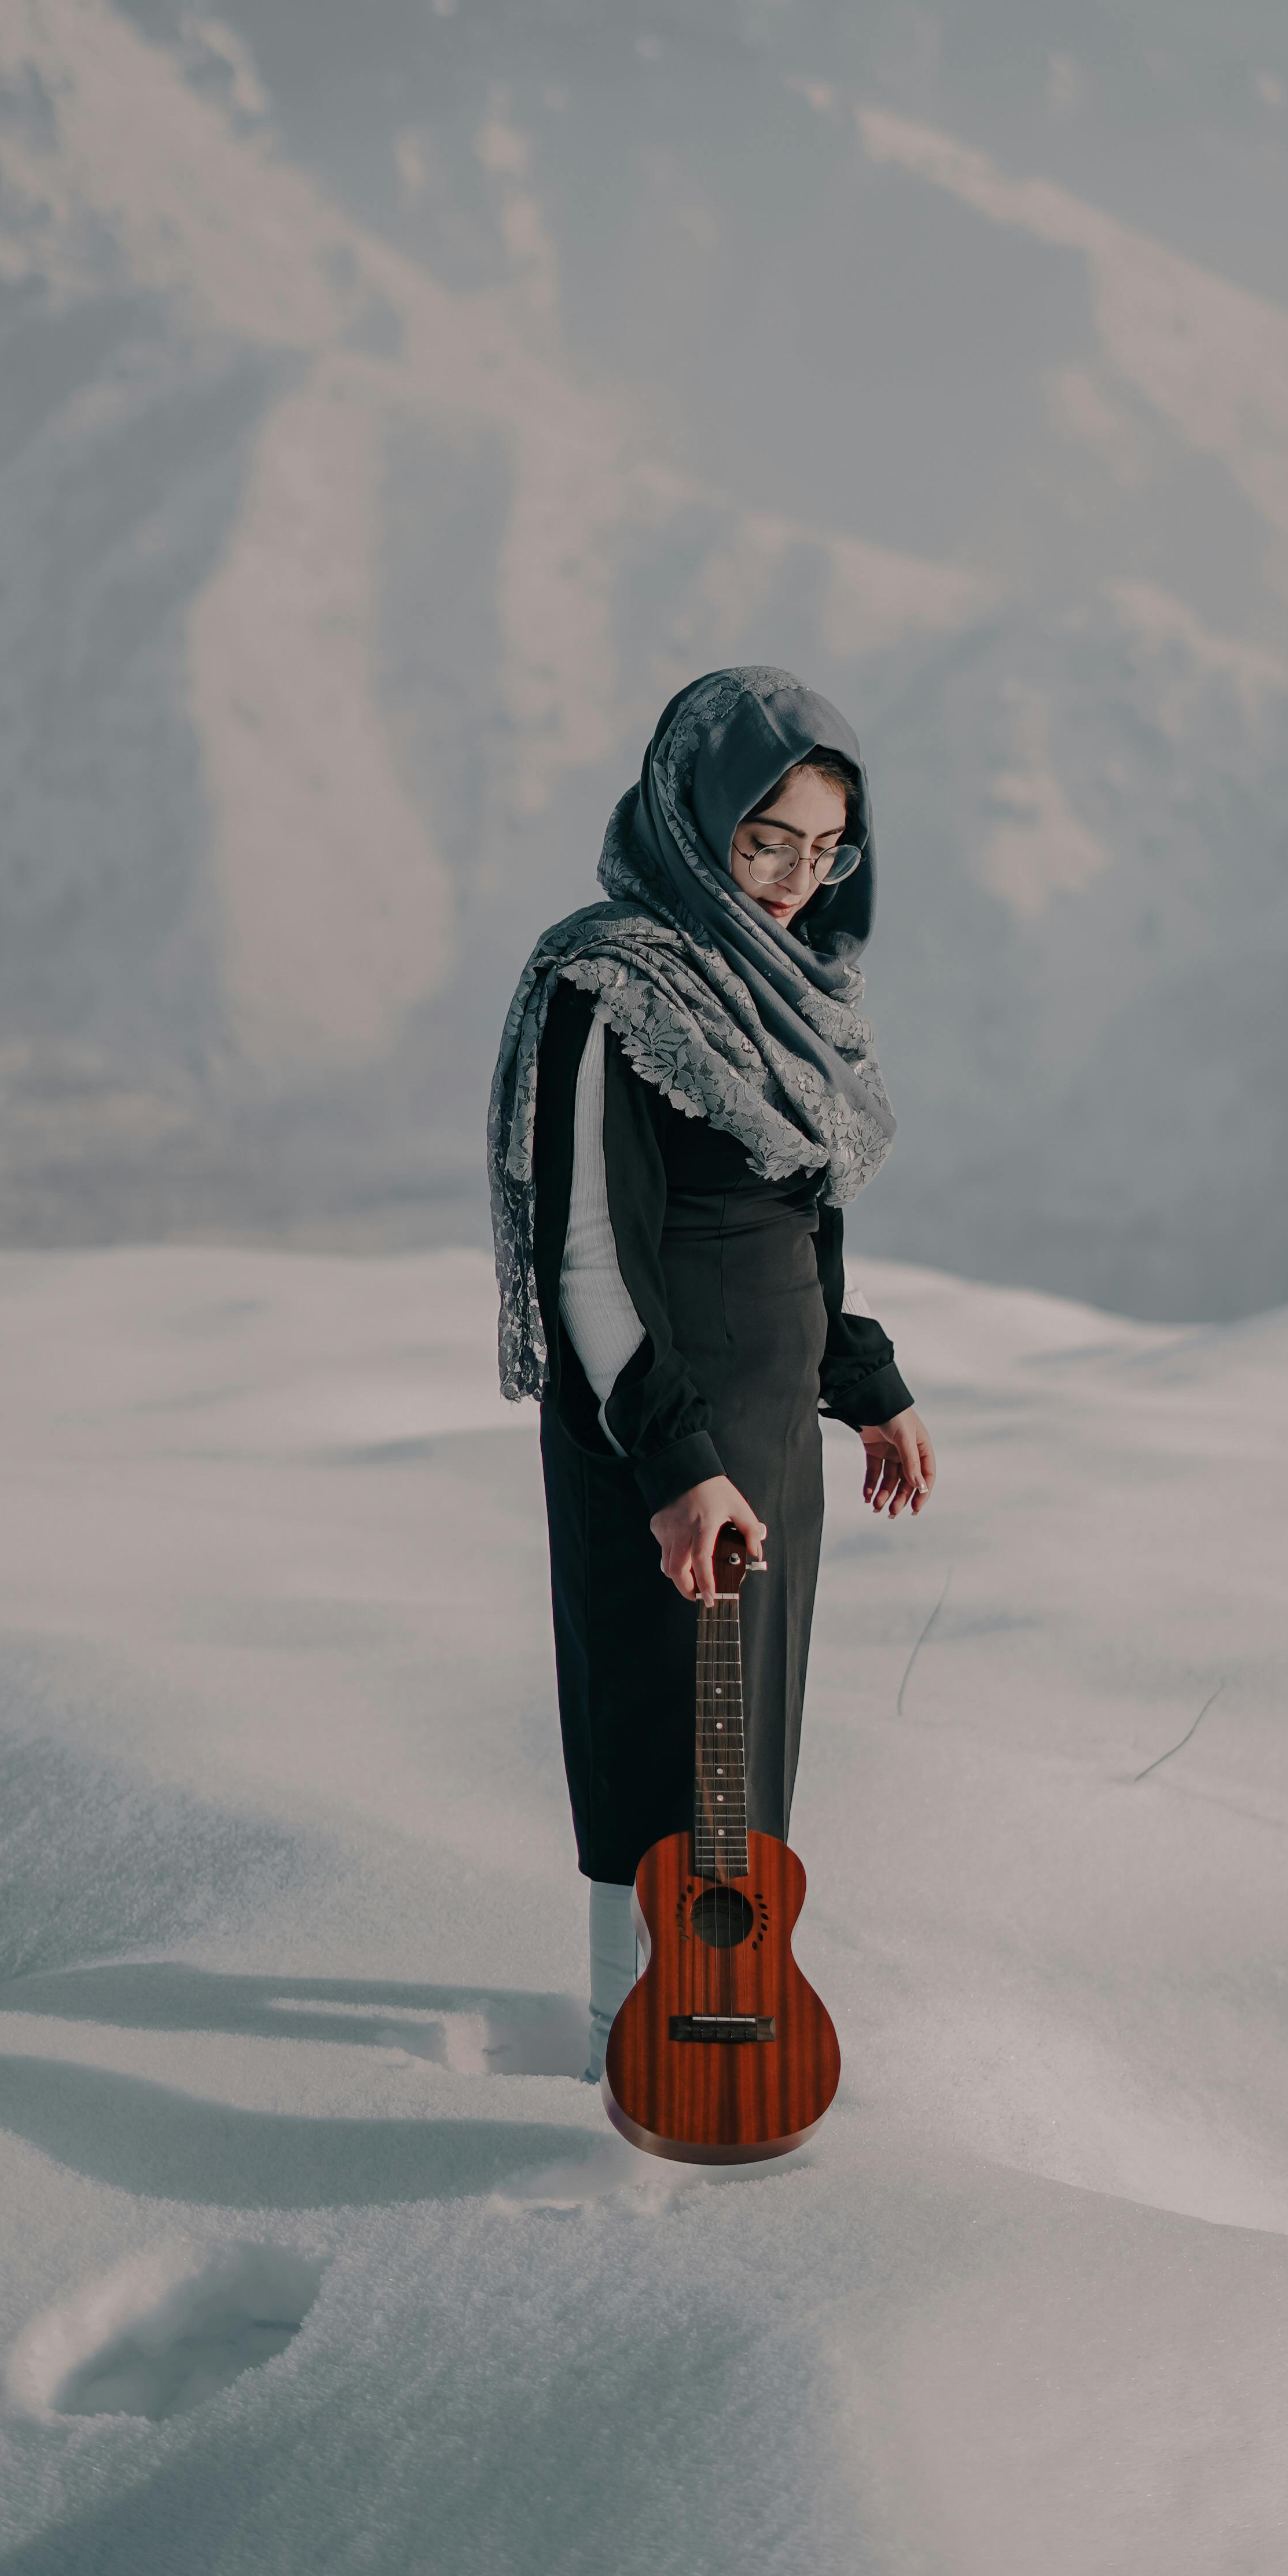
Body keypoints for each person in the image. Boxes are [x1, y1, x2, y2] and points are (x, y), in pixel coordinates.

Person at [488, 666, 935, 2080]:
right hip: (652, 1429)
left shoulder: (792, 990)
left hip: (770, 1436)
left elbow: (803, 1220)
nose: (797, 878)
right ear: (691, 817)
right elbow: (586, 1261)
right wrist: (676, 1465)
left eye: (824, 848)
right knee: (653, 1738)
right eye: (765, 841)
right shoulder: (610, 986)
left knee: (744, 1754)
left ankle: (720, 2020)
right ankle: (624, 2043)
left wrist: (863, 1380)